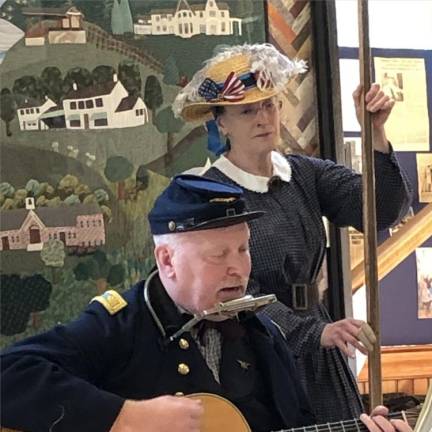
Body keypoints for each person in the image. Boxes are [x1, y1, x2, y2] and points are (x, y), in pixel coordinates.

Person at [0, 175, 413, 432]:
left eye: (243, 250)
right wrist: (122, 416)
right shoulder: (120, 324)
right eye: (219, 255)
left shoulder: (263, 335)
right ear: (167, 261)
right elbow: (9, 375)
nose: (239, 270)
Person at [172, 43, 413, 422]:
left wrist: (376, 136)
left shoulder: (304, 174)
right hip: (249, 352)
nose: (263, 118)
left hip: (319, 346)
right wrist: (308, 333)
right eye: (247, 110)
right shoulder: (205, 193)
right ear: (221, 122)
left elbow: (380, 211)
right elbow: (223, 291)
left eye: (270, 104)